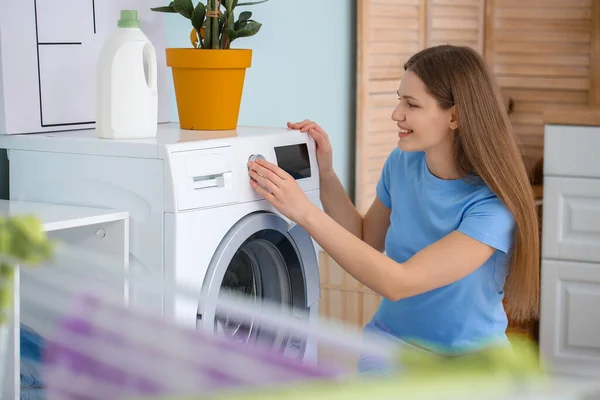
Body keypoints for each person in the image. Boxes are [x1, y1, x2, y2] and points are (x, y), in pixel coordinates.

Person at [247, 44, 540, 375]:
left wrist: (303, 211)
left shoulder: (492, 206)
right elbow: (364, 237)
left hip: (468, 365)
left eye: (411, 104)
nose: (396, 113)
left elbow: (399, 282)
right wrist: (325, 172)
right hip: (390, 345)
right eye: (400, 99)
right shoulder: (403, 163)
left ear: (454, 116)